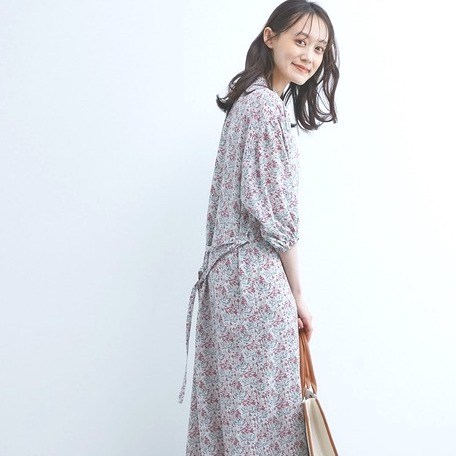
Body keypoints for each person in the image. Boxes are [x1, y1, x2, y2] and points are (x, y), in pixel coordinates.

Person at [179, 0, 339, 454]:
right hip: (254, 285)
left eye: (319, 48)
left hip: (226, 286)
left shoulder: (245, 104)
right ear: (270, 37)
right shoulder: (266, 108)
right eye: (300, 41)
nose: (309, 55)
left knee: (231, 424)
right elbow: (278, 217)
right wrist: (298, 296)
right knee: (268, 427)